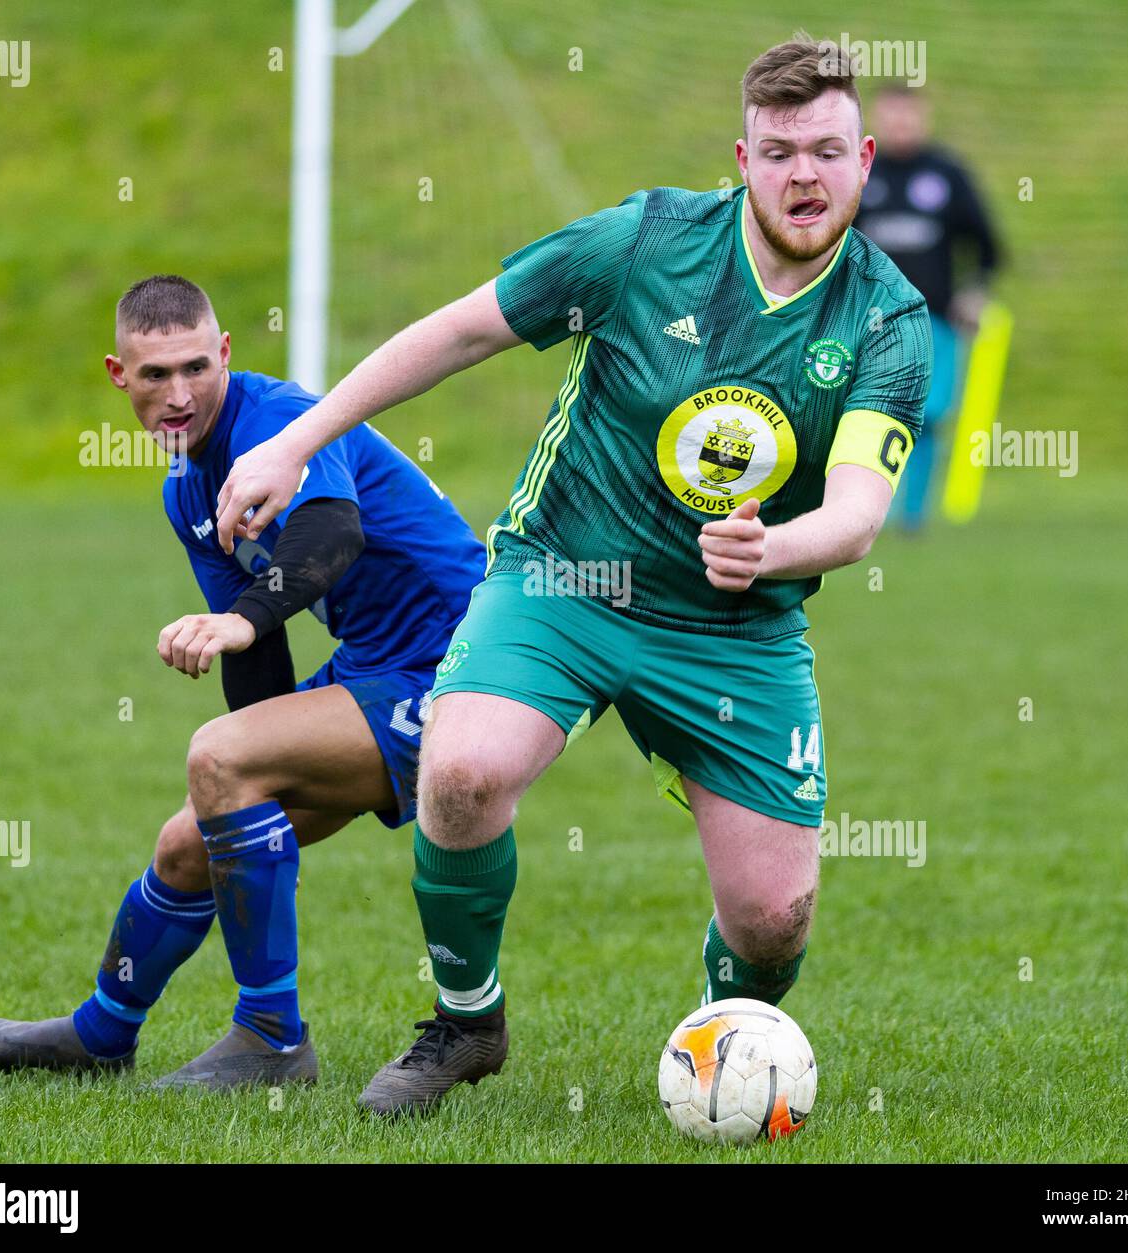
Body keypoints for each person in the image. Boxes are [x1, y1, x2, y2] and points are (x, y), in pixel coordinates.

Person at [214, 34, 932, 1117]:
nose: (802, 176)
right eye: (778, 151)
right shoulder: (642, 243)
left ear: (864, 159)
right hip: (564, 579)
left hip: (733, 628)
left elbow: (857, 513)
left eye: (826, 152)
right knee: (457, 774)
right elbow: (460, 331)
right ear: (739, 155)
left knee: (774, 920)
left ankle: (723, 1041)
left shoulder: (887, 316)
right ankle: (466, 1020)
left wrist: (770, 550)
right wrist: (293, 441)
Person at [0, 276, 485, 1089]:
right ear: (117, 375)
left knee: (219, 758)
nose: (178, 393)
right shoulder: (184, 489)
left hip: (461, 667)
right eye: (154, 375)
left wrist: (244, 622)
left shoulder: (277, 420)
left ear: (225, 352)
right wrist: (252, 738)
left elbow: (334, 530)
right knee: (188, 838)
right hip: (378, 664)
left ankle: (272, 1037)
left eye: (196, 366)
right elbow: (258, 673)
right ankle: (100, 1034)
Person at [853, 83, 1002, 531]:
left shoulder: (947, 174)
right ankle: (859, 511)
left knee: (926, 414)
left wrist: (975, 292)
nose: (902, 123)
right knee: (862, 411)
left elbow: (988, 246)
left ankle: (911, 519)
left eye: (909, 114)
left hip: (933, 319)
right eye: (892, 114)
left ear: (924, 117)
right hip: (867, 320)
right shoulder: (858, 171)